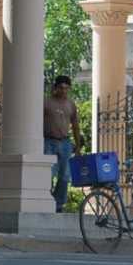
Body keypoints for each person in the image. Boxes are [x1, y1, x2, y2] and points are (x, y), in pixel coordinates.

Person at [43, 75, 84, 213]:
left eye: (66, 88)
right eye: (61, 87)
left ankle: (58, 205)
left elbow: (76, 125)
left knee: (65, 176)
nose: (63, 91)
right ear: (55, 88)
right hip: (48, 141)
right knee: (48, 174)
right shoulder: (46, 102)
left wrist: (78, 146)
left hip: (65, 142)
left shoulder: (71, 104)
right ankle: (46, 201)